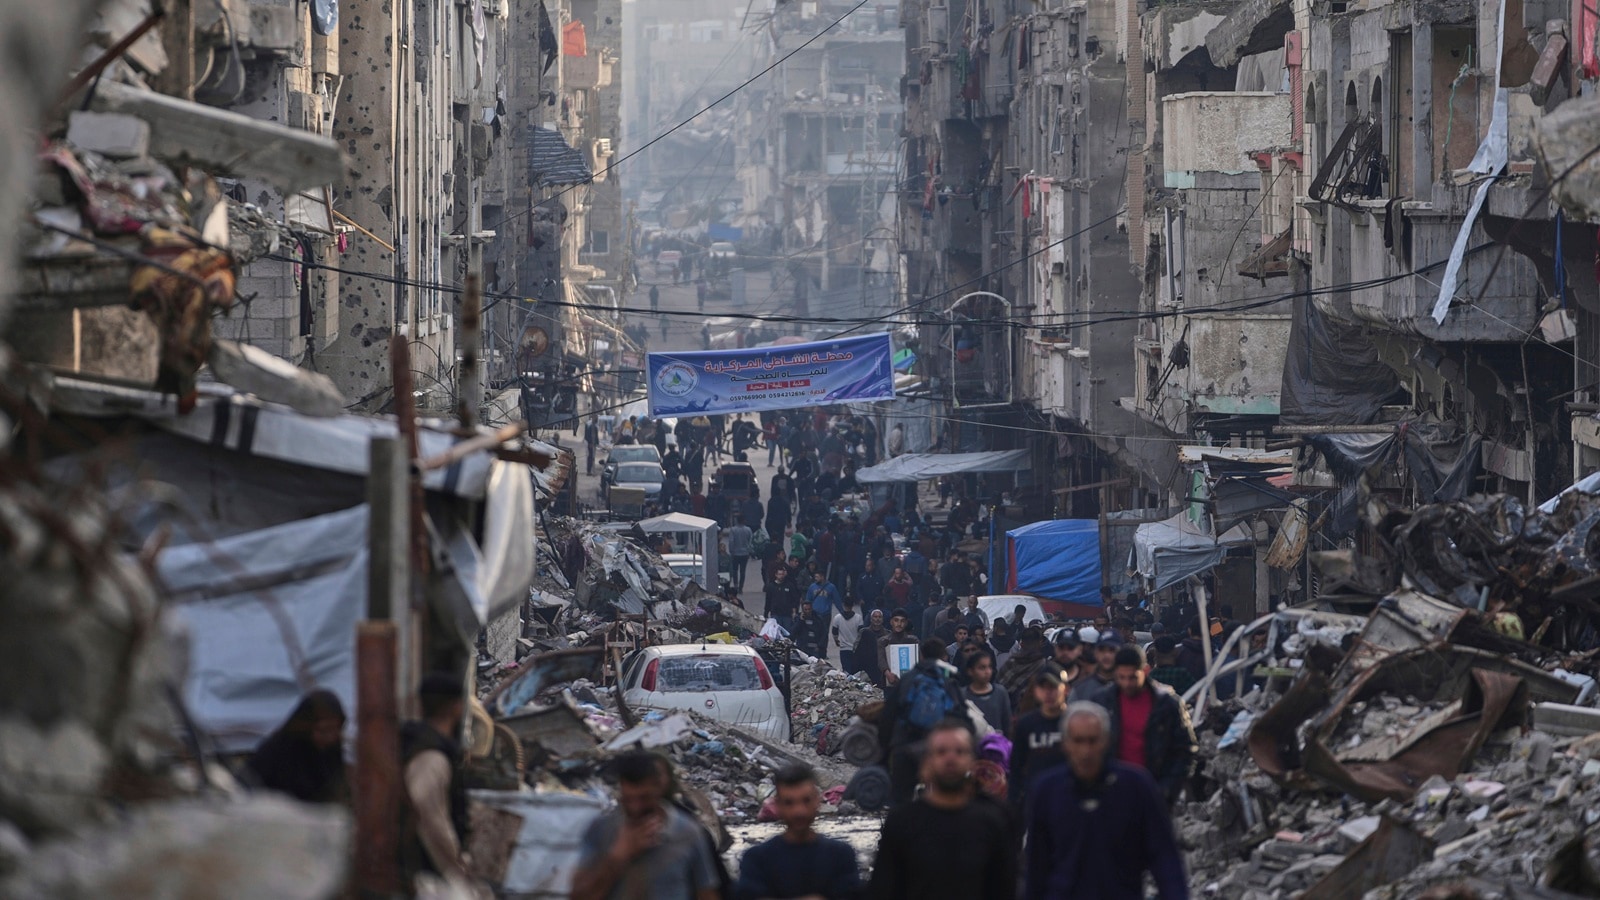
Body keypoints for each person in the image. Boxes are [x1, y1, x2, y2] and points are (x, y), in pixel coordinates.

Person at [1024, 703, 1189, 900]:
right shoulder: (1047, 791)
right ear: (1065, 744)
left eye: (1092, 741)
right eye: (1078, 741)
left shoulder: (1135, 787)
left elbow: (1163, 855)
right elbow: (1036, 866)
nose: (1086, 751)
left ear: (1106, 741)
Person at [867, 720, 1016, 900]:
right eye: (941, 752)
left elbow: (1006, 888)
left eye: (959, 752)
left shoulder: (994, 820)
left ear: (972, 761)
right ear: (927, 763)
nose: (950, 759)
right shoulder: (901, 823)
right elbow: (884, 889)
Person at [573, 752, 721, 900]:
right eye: (628, 799)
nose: (636, 807)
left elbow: (706, 894)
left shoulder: (687, 832)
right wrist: (617, 856)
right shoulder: (601, 829)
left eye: (644, 798)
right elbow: (579, 896)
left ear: (659, 789)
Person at [1091, 645, 1199, 807]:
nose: (1127, 683)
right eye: (1121, 677)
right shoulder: (1102, 702)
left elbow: (1186, 749)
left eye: (1132, 677)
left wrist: (1168, 789)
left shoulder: (1168, 705)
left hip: (1154, 792)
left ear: (1146, 671)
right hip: (1112, 793)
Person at [735, 765, 860, 900]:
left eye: (806, 801)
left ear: (817, 801)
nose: (799, 811)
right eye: (789, 803)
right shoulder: (757, 859)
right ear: (778, 805)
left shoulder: (840, 856)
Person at [401, 673, 472, 885]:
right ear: (457, 707)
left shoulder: (418, 744)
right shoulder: (431, 755)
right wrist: (455, 866)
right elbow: (429, 815)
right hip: (422, 871)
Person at [878, 638, 967, 807]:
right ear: (944, 657)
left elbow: (888, 715)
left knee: (901, 800)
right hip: (938, 750)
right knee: (942, 799)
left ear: (921, 655)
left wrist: (885, 750)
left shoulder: (908, 679)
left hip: (906, 746)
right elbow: (962, 716)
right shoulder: (948, 681)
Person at [247, 689, 347, 804]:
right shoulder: (279, 752)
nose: (330, 737)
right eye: (323, 731)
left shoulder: (331, 750)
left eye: (336, 730)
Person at [1008, 664, 1068, 809]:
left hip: (1068, 797)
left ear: (1065, 689)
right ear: (1035, 691)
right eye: (1043, 687)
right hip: (1036, 798)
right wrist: (1013, 802)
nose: (1048, 693)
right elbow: (1016, 767)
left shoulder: (1075, 722)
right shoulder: (1026, 724)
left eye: (1053, 687)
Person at [996, 627, 1050, 710]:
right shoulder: (1043, 665)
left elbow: (998, 686)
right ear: (1040, 643)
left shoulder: (1010, 662)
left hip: (1006, 708)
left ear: (1021, 644)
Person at [962, 649, 1010, 737]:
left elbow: (1007, 724)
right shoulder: (962, 695)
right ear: (970, 671)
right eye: (982, 668)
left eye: (989, 667)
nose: (987, 672)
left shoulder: (1000, 692)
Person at [1069, 628, 1123, 703]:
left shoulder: (1129, 686)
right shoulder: (1080, 689)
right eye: (1102, 650)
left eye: (1112, 650)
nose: (1106, 655)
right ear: (1095, 652)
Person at [877, 608, 920, 687]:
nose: (899, 624)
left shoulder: (913, 640)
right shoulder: (883, 641)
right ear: (891, 622)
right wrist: (888, 674)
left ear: (906, 623)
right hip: (889, 682)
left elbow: (919, 659)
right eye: (896, 620)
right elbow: (881, 660)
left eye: (902, 621)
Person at [804, 571, 842, 654]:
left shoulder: (831, 587)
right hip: (814, 614)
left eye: (817, 577)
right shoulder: (812, 587)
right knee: (813, 632)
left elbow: (837, 600)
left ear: (822, 577)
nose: (815, 578)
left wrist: (842, 612)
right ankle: (812, 651)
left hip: (825, 614)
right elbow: (808, 600)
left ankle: (823, 651)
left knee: (824, 633)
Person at [832, 595, 865, 676]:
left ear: (843, 604)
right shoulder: (858, 618)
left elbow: (834, 632)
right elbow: (861, 633)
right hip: (855, 649)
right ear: (853, 605)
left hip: (844, 649)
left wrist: (836, 641)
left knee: (846, 672)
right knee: (856, 672)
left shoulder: (837, 618)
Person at [856, 608, 889, 687]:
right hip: (867, 667)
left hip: (882, 667)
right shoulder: (864, 632)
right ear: (871, 619)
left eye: (879, 617)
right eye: (875, 617)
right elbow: (856, 647)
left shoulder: (888, 634)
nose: (877, 619)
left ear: (882, 619)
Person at [765, 564, 798, 631]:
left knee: (787, 632)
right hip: (775, 613)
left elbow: (794, 599)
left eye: (782, 574)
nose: (781, 576)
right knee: (776, 631)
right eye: (779, 574)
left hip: (787, 614)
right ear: (776, 575)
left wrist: (794, 612)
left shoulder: (789, 585)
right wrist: (766, 613)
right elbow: (768, 600)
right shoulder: (771, 586)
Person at [726, 520, 753, 592]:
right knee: (743, 571)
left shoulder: (733, 530)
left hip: (735, 553)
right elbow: (750, 541)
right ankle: (741, 587)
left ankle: (736, 585)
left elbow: (731, 541)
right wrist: (749, 551)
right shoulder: (748, 529)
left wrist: (731, 550)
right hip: (745, 553)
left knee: (735, 570)